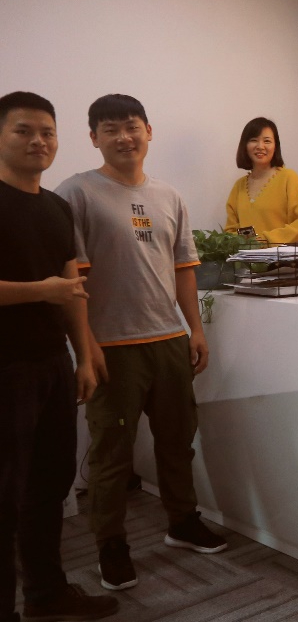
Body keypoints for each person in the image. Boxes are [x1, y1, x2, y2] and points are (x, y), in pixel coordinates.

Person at [56, 94, 225, 593]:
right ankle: (111, 545)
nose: (124, 137)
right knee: (112, 453)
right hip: (112, 346)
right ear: (93, 138)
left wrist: (195, 329)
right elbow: (72, 279)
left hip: (168, 339)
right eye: (110, 129)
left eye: (132, 126)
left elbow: (184, 269)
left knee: (178, 440)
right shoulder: (77, 193)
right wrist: (86, 345)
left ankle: (182, 522)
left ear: (148, 131)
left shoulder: (169, 195)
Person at [0, 92, 118, 621]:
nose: (38, 141)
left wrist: (84, 357)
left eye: (47, 132)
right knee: (4, 497)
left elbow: (72, 288)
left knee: (49, 487)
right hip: (5, 368)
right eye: (23, 131)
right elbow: (54, 288)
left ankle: (46, 596)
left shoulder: (56, 207)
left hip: (51, 364)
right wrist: (39, 291)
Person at [224, 117, 298, 243]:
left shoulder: (289, 178)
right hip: (249, 255)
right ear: (245, 145)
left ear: (275, 146)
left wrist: (265, 241)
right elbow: (231, 230)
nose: (260, 146)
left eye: (267, 141)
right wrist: (249, 243)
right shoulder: (239, 186)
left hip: (285, 255)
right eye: (254, 140)